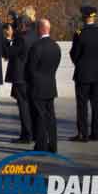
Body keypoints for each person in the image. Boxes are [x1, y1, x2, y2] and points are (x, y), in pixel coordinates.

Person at [69, 6, 98, 142]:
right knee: (97, 104)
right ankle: (95, 133)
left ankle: (83, 134)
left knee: (82, 105)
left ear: (84, 17)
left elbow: (74, 54)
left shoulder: (80, 33)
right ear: (94, 17)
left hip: (83, 74)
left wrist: (80, 64)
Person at [26, 19, 61, 153]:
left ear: (40, 29)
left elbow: (31, 68)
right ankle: (53, 145)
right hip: (51, 85)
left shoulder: (37, 46)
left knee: (39, 116)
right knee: (51, 116)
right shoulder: (55, 46)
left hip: (38, 87)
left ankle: (41, 145)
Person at [5, 16, 35, 143]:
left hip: (20, 77)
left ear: (22, 26)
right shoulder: (34, 36)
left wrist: (8, 38)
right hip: (31, 76)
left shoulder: (21, 39)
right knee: (30, 107)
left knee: (23, 107)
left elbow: (8, 52)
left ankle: (26, 135)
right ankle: (32, 133)